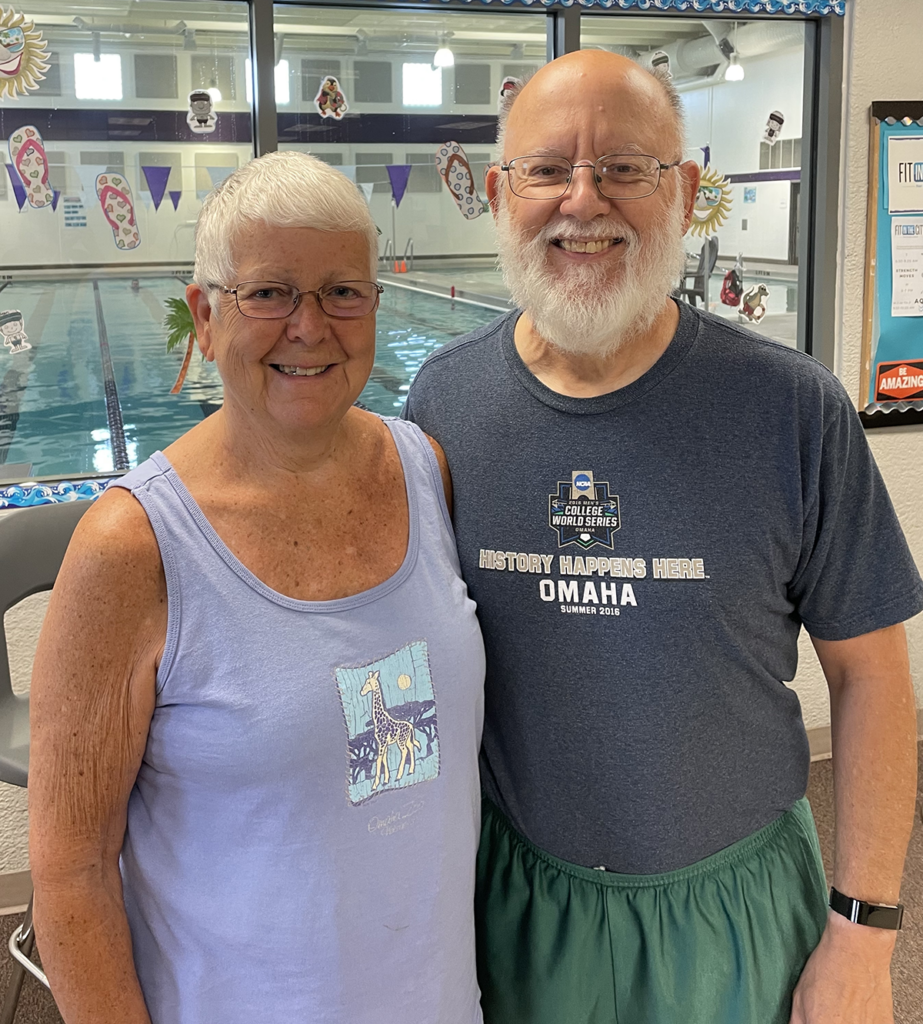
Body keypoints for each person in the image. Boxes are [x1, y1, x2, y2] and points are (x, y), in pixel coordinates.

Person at [404, 50, 922, 1024]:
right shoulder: (441, 405)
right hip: (517, 900)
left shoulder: (790, 409)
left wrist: (860, 932)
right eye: (548, 168)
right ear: (495, 191)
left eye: (626, 168)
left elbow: (872, 678)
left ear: (682, 191)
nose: (582, 201)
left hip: (732, 907)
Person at [28, 151, 485, 1024]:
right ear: (205, 315)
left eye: (342, 292)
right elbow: (73, 871)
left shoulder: (425, 471)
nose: (309, 327)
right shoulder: (133, 548)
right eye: (269, 292)